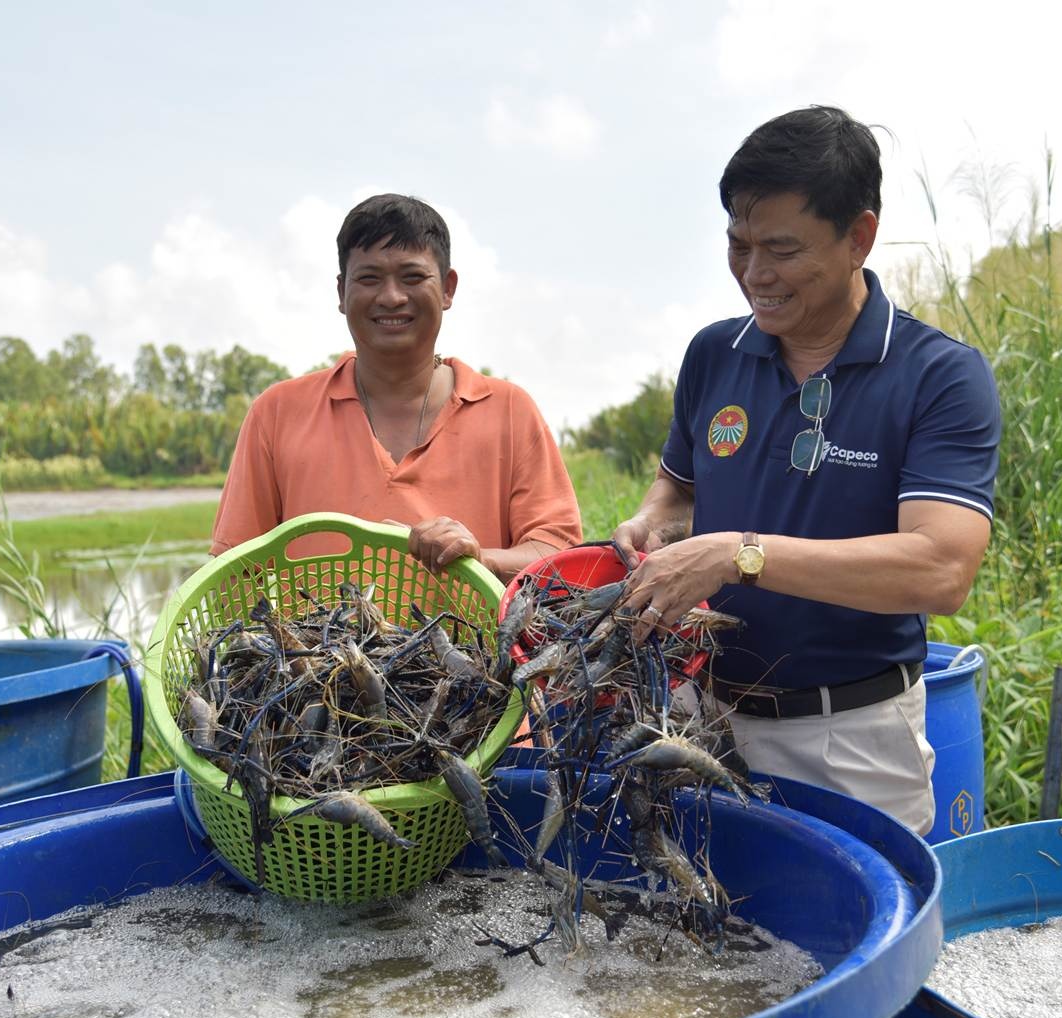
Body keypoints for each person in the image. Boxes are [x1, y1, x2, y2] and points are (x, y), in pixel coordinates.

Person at [613, 106, 1001, 835]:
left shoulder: (938, 375)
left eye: (782, 250)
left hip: (850, 737)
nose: (754, 275)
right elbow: (678, 488)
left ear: (858, 236)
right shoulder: (713, 355)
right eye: (738, 245)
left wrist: (736, 553)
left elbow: (938, 568)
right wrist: (654, 522)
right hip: (701, 715)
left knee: (862, 936)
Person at [211, 193, 581, 582]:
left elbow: (559, 556)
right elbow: (235, 573)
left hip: (472, 642)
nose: (391, 297)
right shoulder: (278, 412)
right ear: (341, 293)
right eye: (369, 278)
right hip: (316, 643)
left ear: (448, 288)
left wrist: (481, 559)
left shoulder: (508, 410)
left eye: (413, 277)